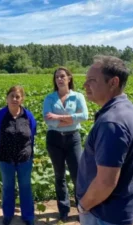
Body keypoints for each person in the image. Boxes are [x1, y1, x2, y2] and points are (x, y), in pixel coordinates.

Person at [76, 55, 133, 225]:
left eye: (92, 80)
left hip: (104, 213)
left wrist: (83, 206)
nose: (85, 85)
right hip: (119, 208)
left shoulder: (112, 122)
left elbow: (106, 182)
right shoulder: (129, 110)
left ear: (113, 82)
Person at [42, 66, 88, 221]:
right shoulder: (49, 98)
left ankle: (81, 208)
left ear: (69, 78)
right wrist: (69, 119)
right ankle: (63, 209)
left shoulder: (78, 97)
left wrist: (57, 117)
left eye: (62, 76)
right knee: (59, 175)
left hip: (72, 138)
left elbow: (85, 116)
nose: (59, 79)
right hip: (54, 139)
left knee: (77, 175)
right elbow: (47, 119)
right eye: (57, 77)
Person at [0, 85, 37, 225]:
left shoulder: (28, 116)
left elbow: (32, 133)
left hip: (24, 158)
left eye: (18, 97)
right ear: (7, 98)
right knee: (7, 187)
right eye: (12, 96)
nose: (14, 99)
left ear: (22, 99)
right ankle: (8, 215)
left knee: (25, 187)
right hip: (5, 158)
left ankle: (28, 217)